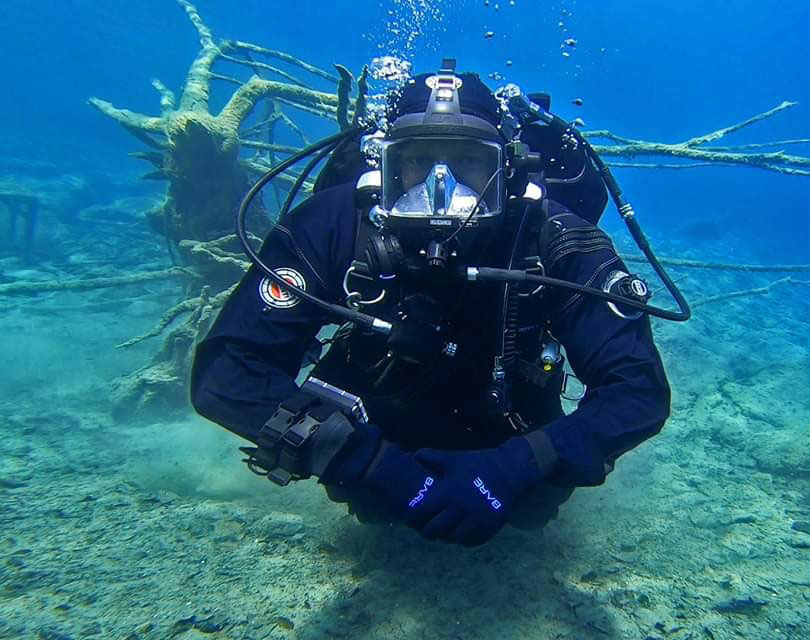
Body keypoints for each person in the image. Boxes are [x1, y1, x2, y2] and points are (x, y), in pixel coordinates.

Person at [190, 60, 673, 547]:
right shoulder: (333, 224)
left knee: (532, 513)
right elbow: (227, 370)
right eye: (419, 161)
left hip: (513, 429)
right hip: (372, 428)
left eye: (468, 161)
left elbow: (637, 388)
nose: (441, 187)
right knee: (373, 511)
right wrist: (367, 463)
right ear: (388, 165)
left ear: (506, 168)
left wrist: (520, 465)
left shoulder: (556, 237)